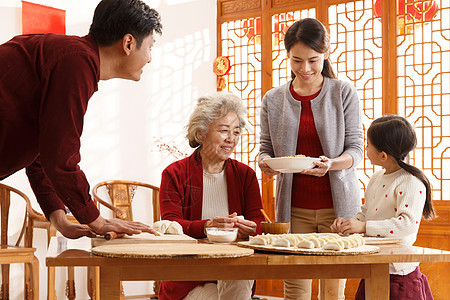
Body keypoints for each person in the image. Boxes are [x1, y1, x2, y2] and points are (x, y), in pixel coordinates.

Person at [0, 0, 163, 239]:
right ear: (128, 43)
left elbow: (44, 153)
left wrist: (61, 220)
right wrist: (96, 220)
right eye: (150, 46)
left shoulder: (73, 58)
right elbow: (60, 158)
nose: (149, 58)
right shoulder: (76, 61)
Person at [258, 18, 364, 299]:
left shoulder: (343, 92)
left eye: (313, 60)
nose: (305, 68)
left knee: (332, 290)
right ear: (287, 56)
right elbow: (265, 147)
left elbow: (356, 150)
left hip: (337, 208)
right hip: (294, 208)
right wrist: (265, 162)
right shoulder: (273, 99)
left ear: (326, 53)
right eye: (296, 60)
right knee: (295, 290)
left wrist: (331, 164)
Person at [159, 92, 265, 300]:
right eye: (224, 131)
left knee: (240, 275)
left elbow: (259, 221)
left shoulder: (245, 175)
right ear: (200, 134)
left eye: (236, 132)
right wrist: (207, 226)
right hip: (189, 277)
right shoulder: (174, 174)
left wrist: (252, 228)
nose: (231, 139)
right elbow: (170, 225)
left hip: (234, 269)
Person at [331, 115, 435, 300]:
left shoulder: (411, 182)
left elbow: (406, 225)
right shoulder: (376, 178)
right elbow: (365, 213)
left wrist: (363, 227)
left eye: (368, 144)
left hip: (399, 273)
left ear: (383, 155)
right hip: (373, 265)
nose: (365, 148)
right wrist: (349, 225)